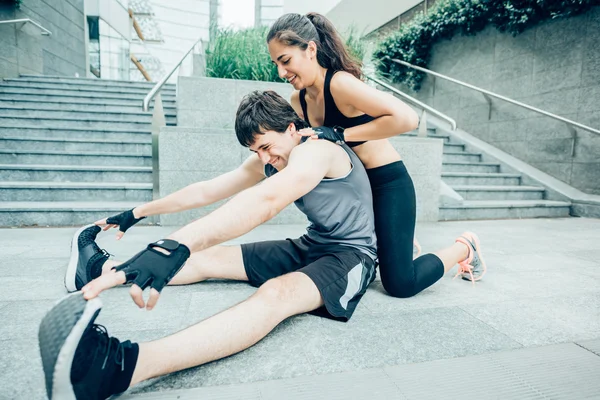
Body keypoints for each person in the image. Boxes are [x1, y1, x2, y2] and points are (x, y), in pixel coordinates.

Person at [39, 90, 388, 400]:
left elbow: (268, 200)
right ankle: (95, 271)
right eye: (256, 151)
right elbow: (208, 190)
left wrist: (175, 245)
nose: (264, 159)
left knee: (277, 294)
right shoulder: (272, 157)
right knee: (209, 258)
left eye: (266, 147)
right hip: (313, 243)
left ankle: (115, 368)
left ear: (292, 129)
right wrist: (138, 212)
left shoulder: (318, 151)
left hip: (351, 256)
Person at [266, 13, 487, 297]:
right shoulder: (299, 100)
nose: (281, 72)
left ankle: (464, 247)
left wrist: (341, 134)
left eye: (285, 61)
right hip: (354, 190)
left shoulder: (340, 84)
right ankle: (393, 243)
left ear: (310, 49)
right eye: (276, 64)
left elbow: (407, 119)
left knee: (400, 284)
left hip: (386, 183)